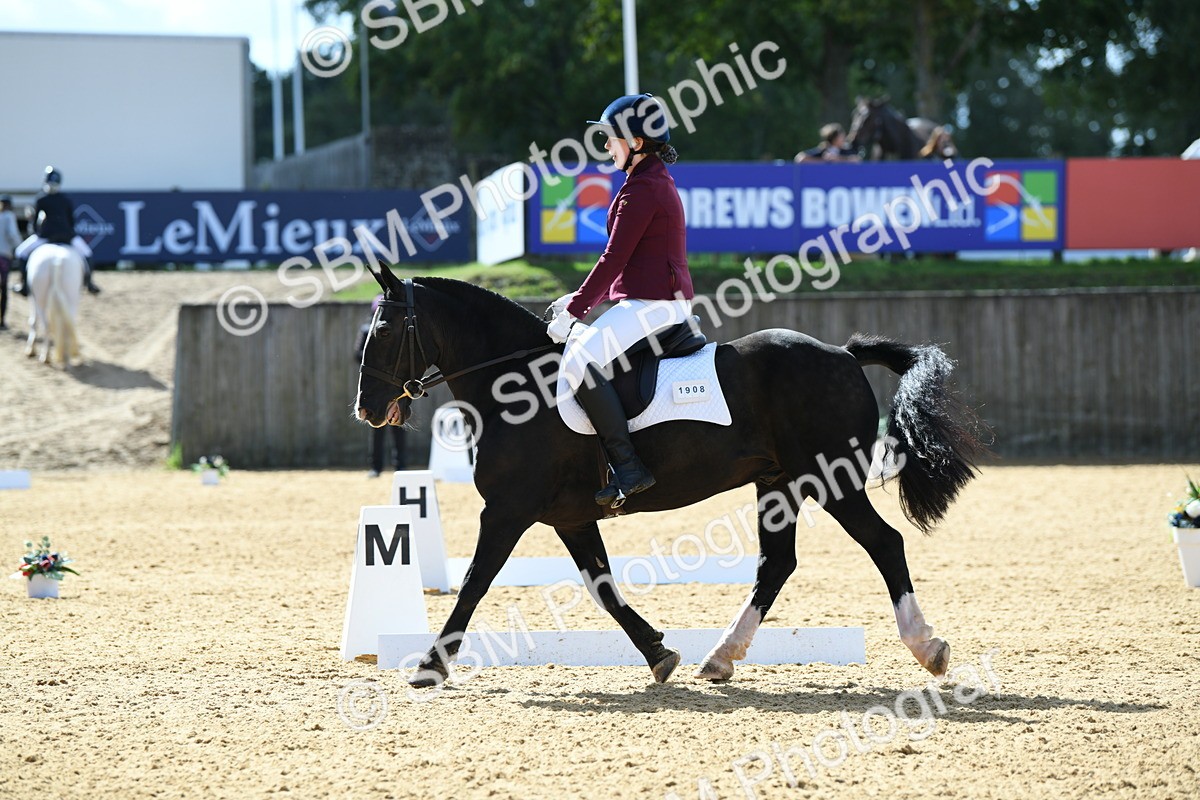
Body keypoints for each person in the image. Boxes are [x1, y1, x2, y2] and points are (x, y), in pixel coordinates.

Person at [545, 93, 695, 507]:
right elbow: (625, 265)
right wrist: (577, 297)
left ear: (637, 142)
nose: (607, 146)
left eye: (611, 139)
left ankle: (629, 467)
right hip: (648, 299)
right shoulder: (646, 181)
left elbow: (614, 259)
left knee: (579, 360)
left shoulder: (642, 189)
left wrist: (576, 311)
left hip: (656, 304)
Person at [12, 166, 101, 296]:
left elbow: (36, 222)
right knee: (87, 253)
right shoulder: (66, 199)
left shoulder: (41, 199)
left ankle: (24, 285)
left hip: (46, 236)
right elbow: (71, 221)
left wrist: (36, 231)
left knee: (21, 252)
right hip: (67, 236)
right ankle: (89, 283)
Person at [355, 295, 407, 477]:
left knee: (398, 426)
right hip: (376, 384)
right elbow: (358, 354)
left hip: (393, 382)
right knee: (377, 428)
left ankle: (400, 466)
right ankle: (376, 467)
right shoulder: (366, 330)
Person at [0, 195, 22, 330]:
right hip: (3, 256)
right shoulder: (9, 216)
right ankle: (2, 320)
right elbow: (12, 234)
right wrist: (18, 247)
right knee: (3, 288)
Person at [794, 123, 861, 163]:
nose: (844, 139)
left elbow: (857, 160)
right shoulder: (823, 150)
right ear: (834, 139)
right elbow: (800, 158)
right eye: (841, 137)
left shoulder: (845, 151)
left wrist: (838, 159)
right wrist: (825, 161)